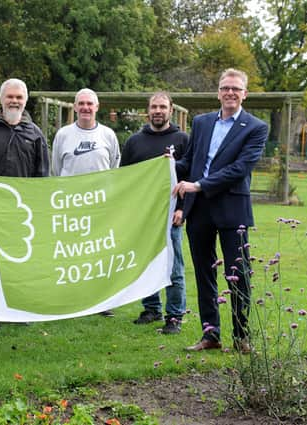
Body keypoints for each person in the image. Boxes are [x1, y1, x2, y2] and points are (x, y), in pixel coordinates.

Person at [173, 68, 268, 353]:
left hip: (232, 209)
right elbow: (190, 161)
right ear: (218, 92)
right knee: (203, 273)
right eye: (225, 88)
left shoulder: (256, 128)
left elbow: (239, 169)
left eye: (235, 89)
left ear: (244, 94)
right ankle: (210, 335)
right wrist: (167, 164)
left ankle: (241, 337)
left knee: (238, 274)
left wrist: (199, 185)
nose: (230, 93)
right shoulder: (201, 123)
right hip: (199, 210)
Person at [0, 78, 49, 329]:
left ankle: (18, 308)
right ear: (1, 99)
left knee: (19, 262)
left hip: (21, 212)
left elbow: (43, 175)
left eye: (19, 97)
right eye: (10, 96)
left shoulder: (35, 133)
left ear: (25, 101)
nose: (14, 101)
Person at [121, 92, 187, 333]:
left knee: (173, 266)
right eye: (154, 107)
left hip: (170, 215)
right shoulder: (134, 142)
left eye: (162, 107)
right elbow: (124, 178)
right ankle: (151, 308)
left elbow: (189, 177)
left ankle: (175, 316)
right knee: (146, 263)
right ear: (147, 111)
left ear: (171, 110)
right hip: (142, 215)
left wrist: (182, 209)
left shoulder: (182, 139)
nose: (158, 111)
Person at [51, 88, 120, 317]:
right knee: (71, 252)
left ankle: (102, 300)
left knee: (99, 251)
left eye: (90, 104)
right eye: (81, 103)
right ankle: (71, 298)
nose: (85, 108)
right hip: (71, 205)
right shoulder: (63, 135)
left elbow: (114, 169)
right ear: (74, 106)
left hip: (100, 205)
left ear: (97, 107)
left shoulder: (108, 135)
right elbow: (56, 170)